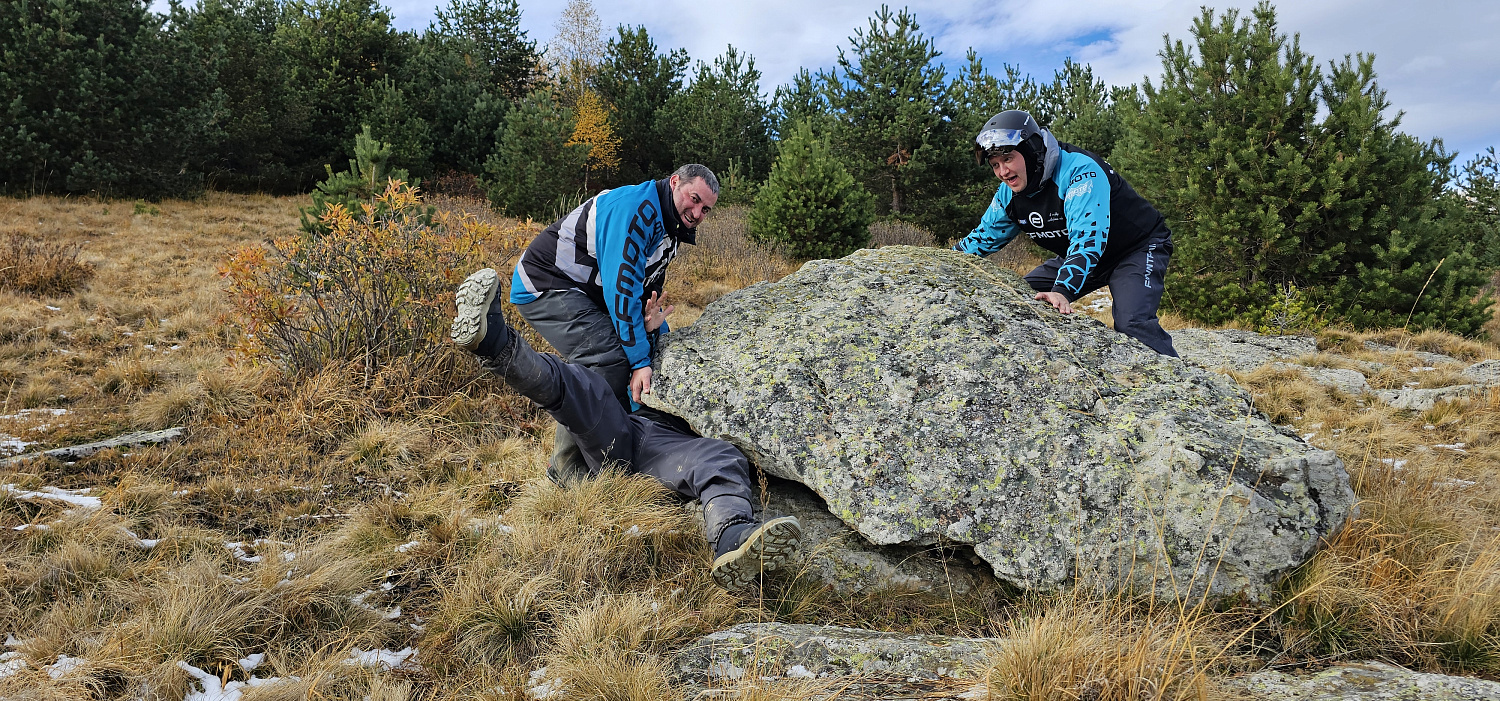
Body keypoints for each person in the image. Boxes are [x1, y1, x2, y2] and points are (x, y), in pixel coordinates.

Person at [449, 267, 801, 590]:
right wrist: (645, 333)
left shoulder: (699, 356)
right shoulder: (642, 337)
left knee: (721, 456)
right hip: (625, 429)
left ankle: (732, 537)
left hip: (664, 447)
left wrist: (651, 334)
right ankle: (495, 343)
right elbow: (614, 363)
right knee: (582, 385)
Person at [493, 164, 718, 484]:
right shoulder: (636, 211)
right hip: (547, 283)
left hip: (589, 291)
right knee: (606, 358)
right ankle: (566, 468)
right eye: (694, 199)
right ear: (674, 182)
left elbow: (646, 289)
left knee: (650, 348)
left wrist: (650, 328)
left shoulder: (672, 226)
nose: (696, 213)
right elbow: (621, 290)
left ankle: (625, 448)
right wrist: (639, 361)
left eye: (705, 209)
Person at [953, 110, 1178, 357]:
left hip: (1136, 248)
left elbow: (1088, 238)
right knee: (1019, 299)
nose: (1003, 172)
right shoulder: (1009, 194)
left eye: (1008, 159)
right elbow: (983, 237)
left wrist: (1062, 290)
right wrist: (937, 262)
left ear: (1031, 151)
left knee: (1132, 323)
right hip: (1079, 255)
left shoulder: (1079, 171)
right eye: (995, 165)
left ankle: (1174, 378)